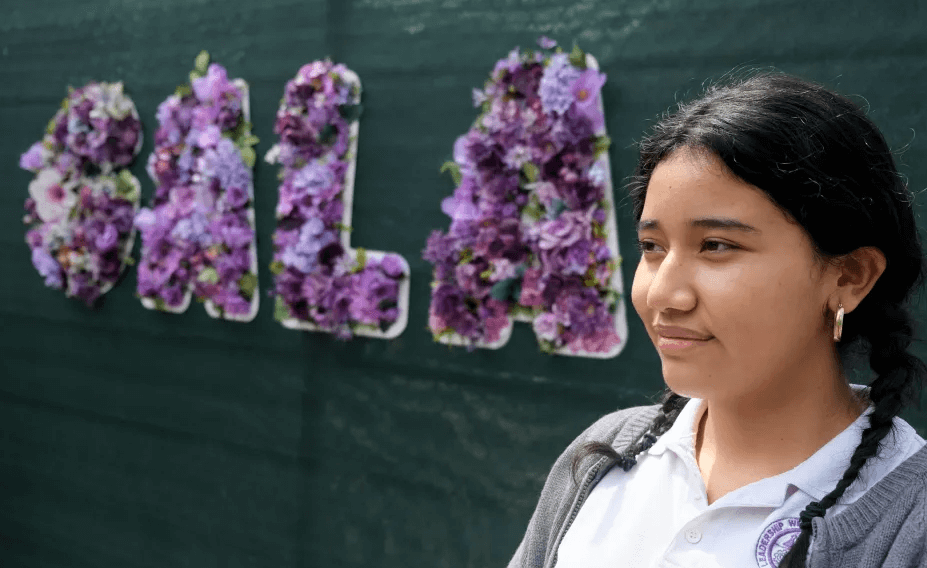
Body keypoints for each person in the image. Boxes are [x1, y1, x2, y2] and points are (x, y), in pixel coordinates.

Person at [507, 72, 927, 568]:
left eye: (717, 246)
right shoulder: (607, 453)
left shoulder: (909, 522)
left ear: (850, 276)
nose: (663, 292)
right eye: (652, 247)